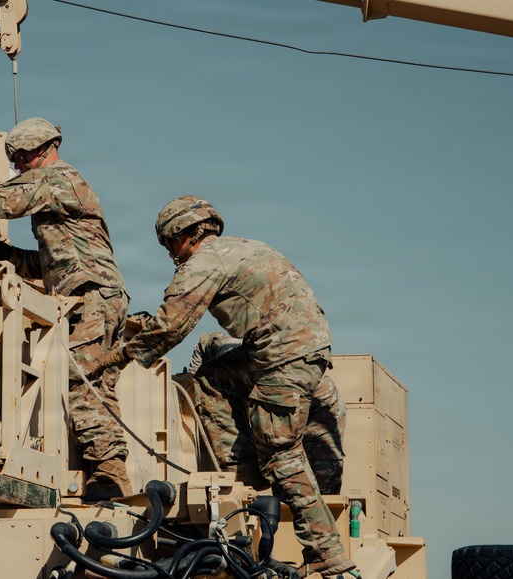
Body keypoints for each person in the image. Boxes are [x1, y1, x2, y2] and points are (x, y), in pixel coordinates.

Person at [101, 196, 356, 578]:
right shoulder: (242, 248)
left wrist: (116, 357)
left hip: (283, 356)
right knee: (212, 379)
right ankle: (243, 481)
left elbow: (171, 325)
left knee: (281, 453)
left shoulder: (204, 261)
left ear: (184, 234)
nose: (171, 253)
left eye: (169, 244)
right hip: (290, 348)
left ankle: (326, 551)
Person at [0, 117, 132, 500]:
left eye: (18, 157)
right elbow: (58, 262)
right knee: (95, 384)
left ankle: (110, 476)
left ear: (39, 149)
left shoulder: (56, 179)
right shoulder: (58, 189)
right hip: (94, 292)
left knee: (79, 383)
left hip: (91, 296)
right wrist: (11, 256)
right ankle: (110, 474)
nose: (15, 166)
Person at [182, 332, 346, 496]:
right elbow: (205, 344)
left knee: (314, 481)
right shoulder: (224, 350)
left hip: (318, 405)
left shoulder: (284, 383)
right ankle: (248, 489)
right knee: (267, 477)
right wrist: (190, 382)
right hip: (291, 392)